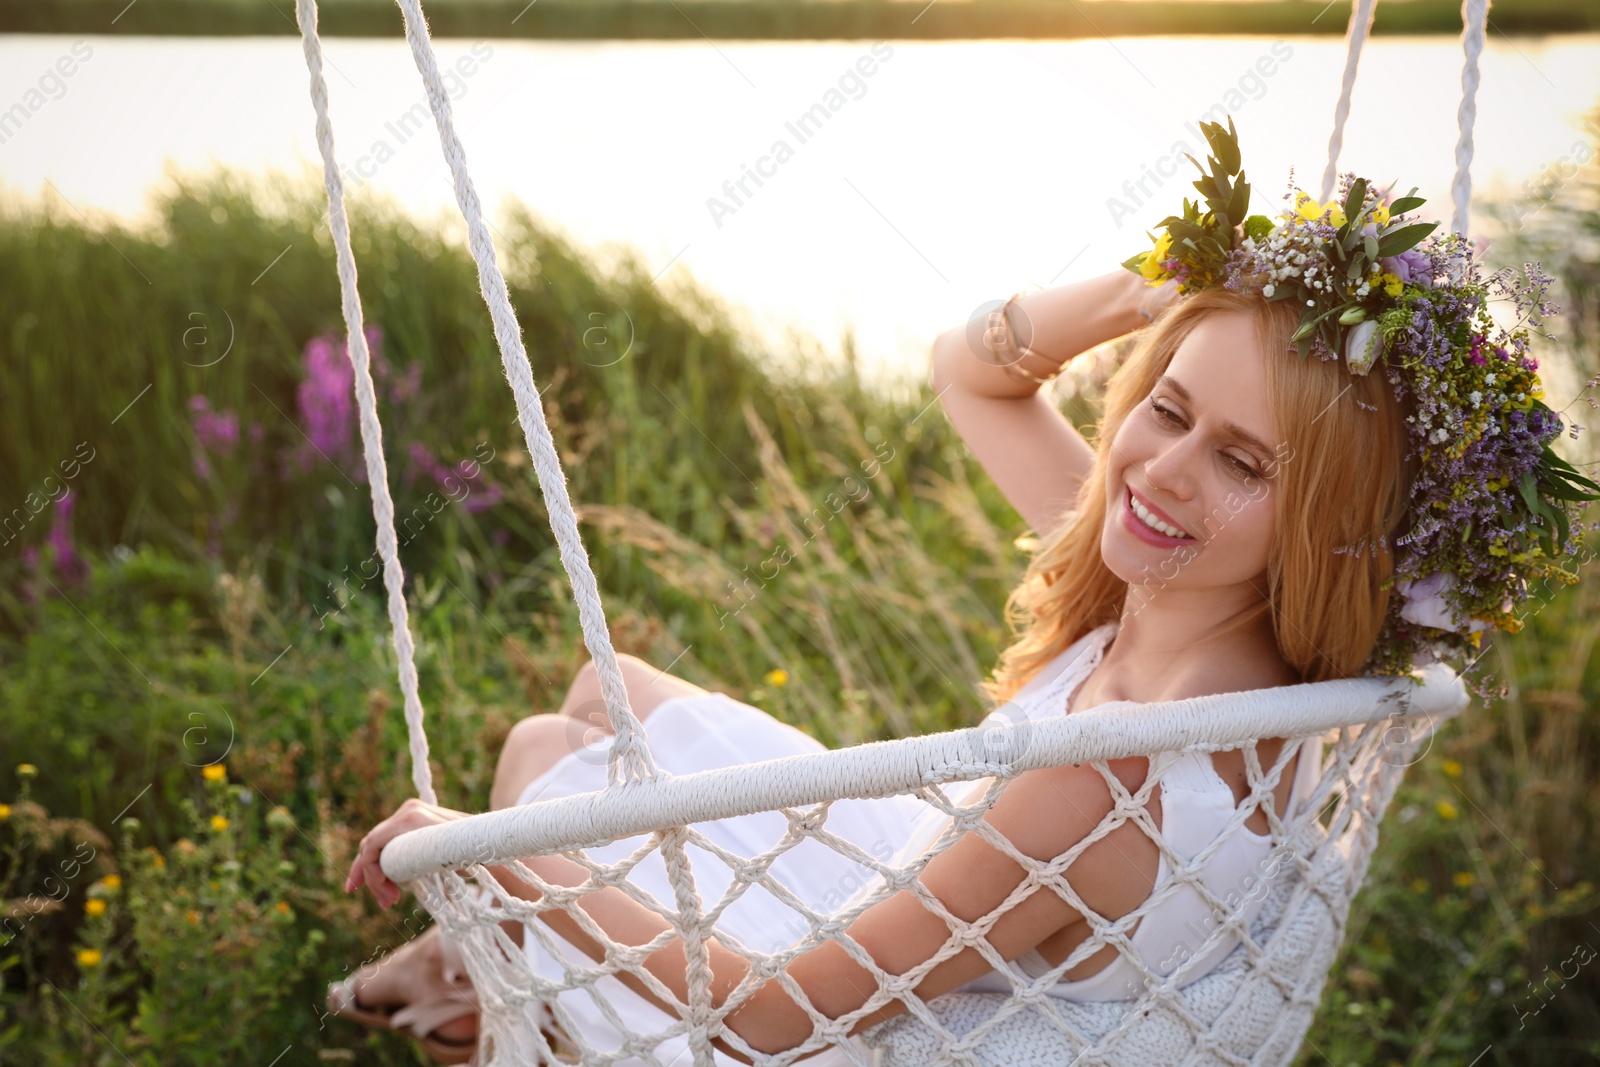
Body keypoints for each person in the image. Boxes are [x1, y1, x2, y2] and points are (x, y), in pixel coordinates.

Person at [326, 260, 1416, 1065]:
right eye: (1165, 408)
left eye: (1240, 460)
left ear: (1325, 521)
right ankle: (474, 973)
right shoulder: (1234, 631)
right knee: (600, 697)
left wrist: (490, 856)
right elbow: (971, 372)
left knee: (532, 770)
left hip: (846, 1029)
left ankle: (513, 1001)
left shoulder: (1099, 776)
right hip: (947, 904)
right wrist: (1164, 279)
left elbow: (767, 1013)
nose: (1162, 471)